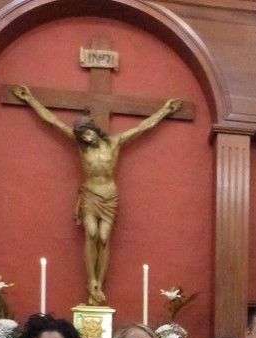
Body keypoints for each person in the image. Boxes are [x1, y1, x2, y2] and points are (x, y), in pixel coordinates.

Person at [10, 84, 183, 305]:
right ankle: (90, 281)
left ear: (94, 129)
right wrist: (31, 99)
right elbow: (53, 121)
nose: (87, 138)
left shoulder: (114, 143)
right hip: (90, 194)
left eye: (88, 132)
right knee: (91, 233)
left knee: (103, 238)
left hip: (110, 196)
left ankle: (99, 286)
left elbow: (143, 127)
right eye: (82, 135)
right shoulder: (82, 149)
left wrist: (165, 110)